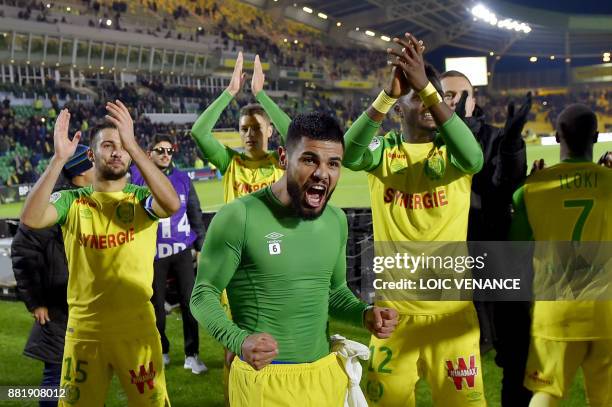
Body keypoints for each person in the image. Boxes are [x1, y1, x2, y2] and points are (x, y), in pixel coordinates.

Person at [190, 112, 399, 406]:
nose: (322, 173)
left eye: (333, 164)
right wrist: (239, 340)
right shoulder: (239, 216)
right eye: (309, 159)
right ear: (283, 158)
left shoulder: (336, 220)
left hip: (325, 374)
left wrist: (364, 314)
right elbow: (202, 294)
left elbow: (335, 292)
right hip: (264, 382)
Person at [343, 33, 486, 406]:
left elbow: (474, 158)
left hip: (451, 317)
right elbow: (348, 155)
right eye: (416, 94)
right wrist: (386, 94)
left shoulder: (452, 152)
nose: (425, 99)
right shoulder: (384, 151)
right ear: (397, 108)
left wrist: (425, 86)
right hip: (393, 316)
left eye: (432, 93)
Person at [19, 103, 180, 407]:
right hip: (84, 332)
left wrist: (132, 143)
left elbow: (171, 204)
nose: (117, 152)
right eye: (108, 145)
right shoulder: (72, 201)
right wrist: (58, 160)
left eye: (123, 147)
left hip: (137, 329)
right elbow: (30, 218)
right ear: (91, 156)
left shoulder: (141, 198)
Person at [510, 104, 611, 407]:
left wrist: (532, 185)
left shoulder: (530, 190)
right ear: (596, 136)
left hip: (555, 312)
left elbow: (515, 246)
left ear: (556, 137)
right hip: (607, 313)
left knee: (547, 394)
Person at [441, 70, 532, 406]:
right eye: (445, 95)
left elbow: (504, 188)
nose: (451, 101)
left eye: (458, 94)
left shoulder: (495, 138)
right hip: (448, 271)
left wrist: (511, 146)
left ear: (474, 100)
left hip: (496, 263)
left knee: (516, 359)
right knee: (451, 366)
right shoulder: (424, 142)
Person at [12, 145, 94, 407]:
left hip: (83, 305)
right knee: (57, 377)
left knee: (88, 379)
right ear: (81, 171)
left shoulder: (87, 197)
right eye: (92, 162)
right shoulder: (58, 202)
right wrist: (35, 301)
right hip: (60, 309)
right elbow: (22, 251)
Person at [131, 134, 207, 374]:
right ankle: (161, 350)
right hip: (152, 254)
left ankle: (192, 355)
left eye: (169, 151)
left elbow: (195, 211)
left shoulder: (183, 178)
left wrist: (201, 247)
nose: (165, 155)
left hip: (182, 250)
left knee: (189, 304)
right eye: (160, 150)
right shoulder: (136, 176)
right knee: (155, 307)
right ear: (149, 153)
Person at [190, 51, 291, 202]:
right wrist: (230, 91)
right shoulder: (230, 161)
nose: (249, 134)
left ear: (270, 131)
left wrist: (260, 94)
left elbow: (293, 132)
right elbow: (199, 132)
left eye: (257, 128)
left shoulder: (279, 161)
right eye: (244, 129)